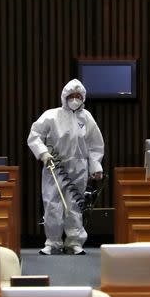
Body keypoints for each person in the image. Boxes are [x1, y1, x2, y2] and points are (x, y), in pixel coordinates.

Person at [27, 79, 105, 255]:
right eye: (72, 96)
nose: (75, 99)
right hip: (54, 166)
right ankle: (52, 242)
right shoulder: (51, 115)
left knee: (74, 205)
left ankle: (74, 242)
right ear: (65, 97)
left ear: (83, 98)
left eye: (78, 96)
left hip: (78, 167)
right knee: (52, 204)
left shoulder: (87, 118)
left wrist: (95, 166)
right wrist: (43, 153)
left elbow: (95, 145)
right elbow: (34, 135)